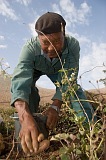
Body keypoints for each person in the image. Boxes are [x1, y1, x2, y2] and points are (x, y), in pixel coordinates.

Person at [11, 12, 94, 154]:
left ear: (64, 35)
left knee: (73, 91)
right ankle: (32, 131)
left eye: (57, 41)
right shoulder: (29, 49)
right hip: (36, 69)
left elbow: (68, 79)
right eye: (45, 43)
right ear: (38, 38)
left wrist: (55, 107)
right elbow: (20, 81)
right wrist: (25, 116)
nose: (51, 48)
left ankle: (91, 133)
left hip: (59, 71)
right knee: (27, 91)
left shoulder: (73, 45)